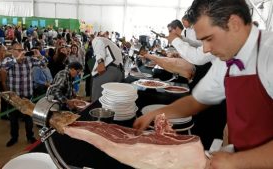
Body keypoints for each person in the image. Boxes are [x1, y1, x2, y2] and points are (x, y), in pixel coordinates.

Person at [134, 0, 273, 168]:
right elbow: (196, 101)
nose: (206, 49)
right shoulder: (228, 57)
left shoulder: (269, 53)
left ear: (234, 23)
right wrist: (157, 114)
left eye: (209, 39)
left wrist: (235, 161)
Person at [1, 43, 46, 147]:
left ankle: (30, 136)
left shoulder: (29, 60)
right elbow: (3, 67)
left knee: (28, 119)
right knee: (13, 119)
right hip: (14, 98)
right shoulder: (8, 60)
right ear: (12, 51)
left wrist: (40, 55)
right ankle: (14, 137)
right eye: (18, 50)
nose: (21, 51)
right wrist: (17, 60)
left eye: (22, 49)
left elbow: (44, 63)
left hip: (27, 96)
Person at [91, 36, 124, 102]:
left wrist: (100, 62)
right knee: (111, 101)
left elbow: (99, 47)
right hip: (119, 72)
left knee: (97, 101)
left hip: (107, 72)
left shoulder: (97, 39)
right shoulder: (112, 44)